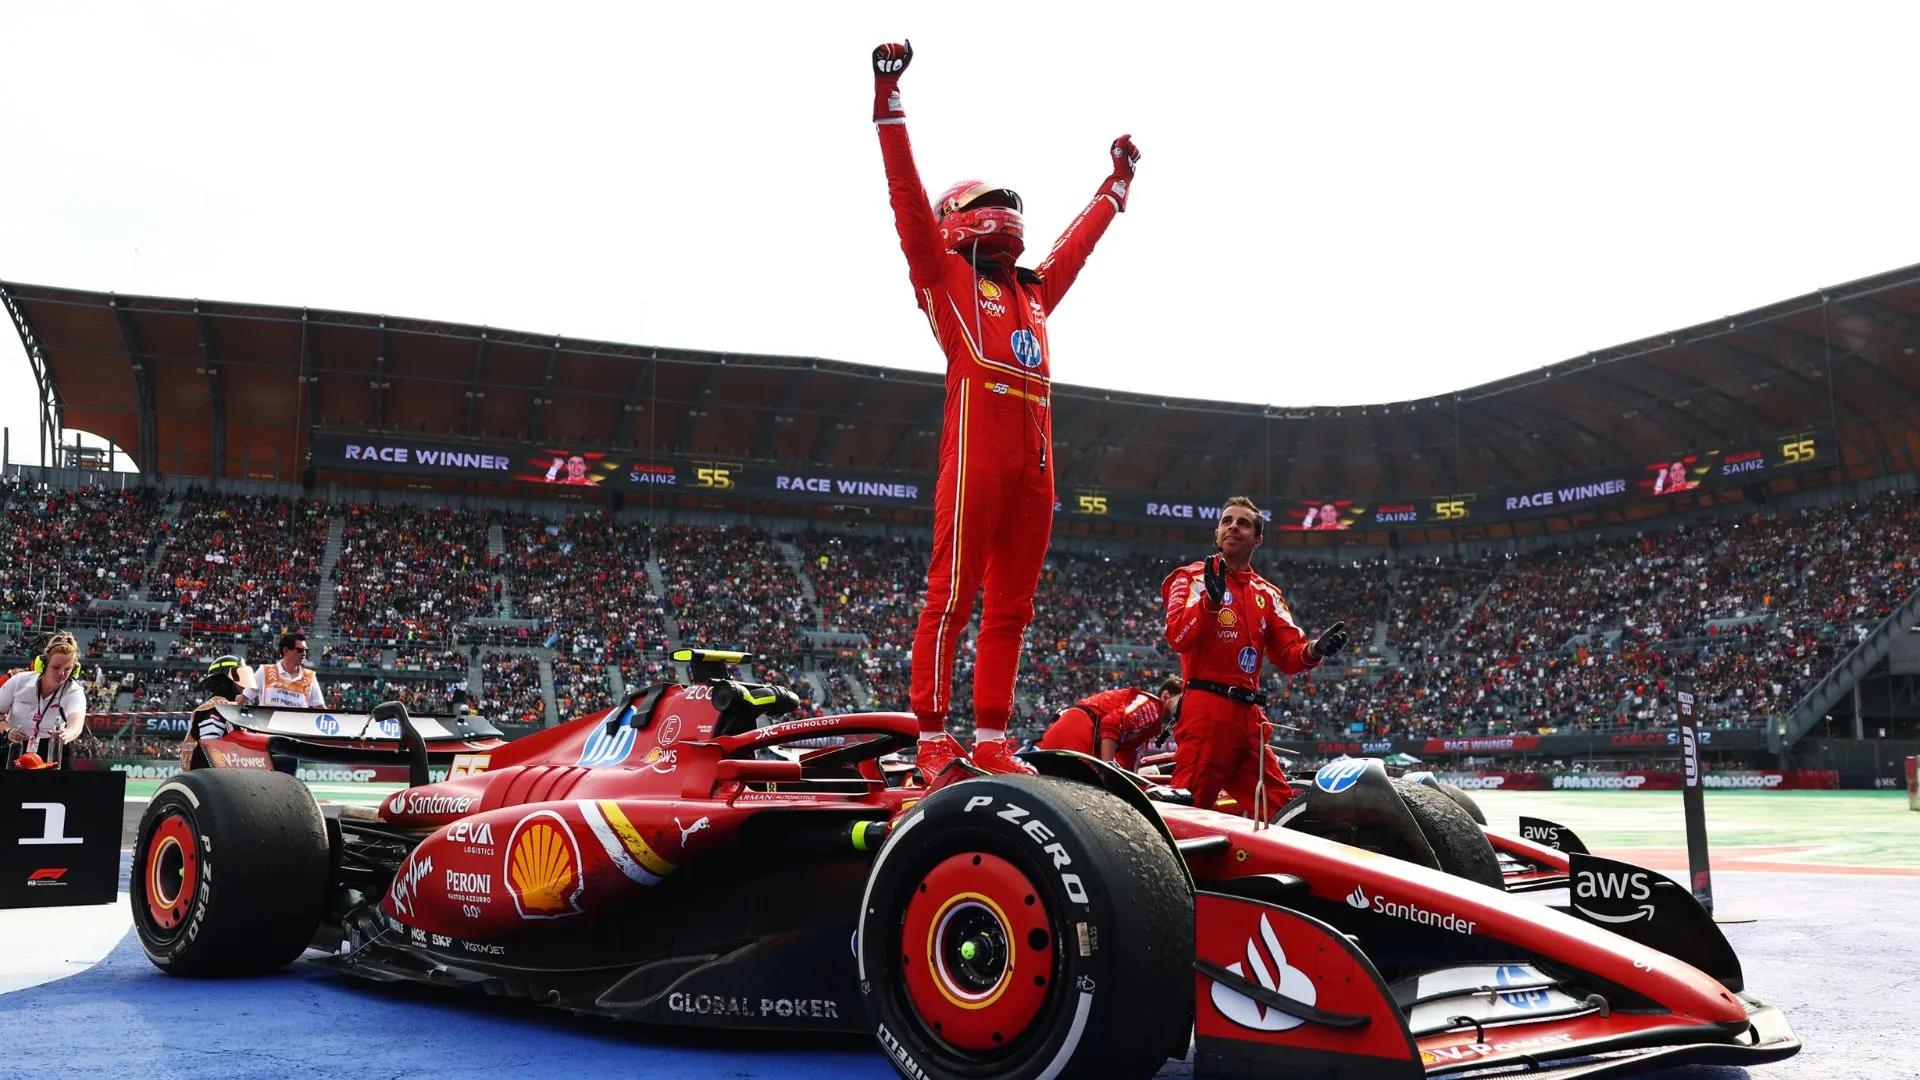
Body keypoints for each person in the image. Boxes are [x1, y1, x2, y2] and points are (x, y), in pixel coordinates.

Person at [870, 39, 1141, 786]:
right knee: (951, 596)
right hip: (978, 461)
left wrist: (1113, 189)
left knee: (1012, 610)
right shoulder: (946, 279)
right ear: (959, 220)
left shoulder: (1032, 294)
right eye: (992, 206)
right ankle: (931, 735)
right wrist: (889, 102)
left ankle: (990, 737)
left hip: (1037, 471)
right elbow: (904, 204)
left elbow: (1073, 250)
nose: (1006, 215)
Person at [1162, 498, 1349, 817]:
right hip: (1207, 711)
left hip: (1250, 718)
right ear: (1217, 533)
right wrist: (1210, 601)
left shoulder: (1268, 593)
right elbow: (1178, 637)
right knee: (1190, 808)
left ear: (1258, 539)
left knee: (1281, 808)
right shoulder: (1191, 577)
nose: (1233, 526)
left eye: (1243, 523)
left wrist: (1316, 650)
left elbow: (1291, 655)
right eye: (1226, 521)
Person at [1038, 676, 1182, 770]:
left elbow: (1129, 765)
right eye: (1181, 701)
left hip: (1075, 732)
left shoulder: (1148, 727)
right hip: (1078, 732)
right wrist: (1108, 768)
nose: (1185, 709)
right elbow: (1111, 724)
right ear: (1165, 696)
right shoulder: (1152, 706)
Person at [1, 631, 87, 767]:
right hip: (14, 742)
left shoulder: (74, 691)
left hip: (53, 746)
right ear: (43, 664)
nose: (61, 673)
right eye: (56, 667)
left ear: (75, 669)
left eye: (68, 669)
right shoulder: (18, 681)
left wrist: (67, 734)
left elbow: (76, 724)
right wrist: (8, 730)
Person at [241, 631, 326, 709]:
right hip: (266, 725)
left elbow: (321, 709)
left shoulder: (310, 677)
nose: (304, 653)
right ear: (286, 651)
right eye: (300, 650)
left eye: (306, 650)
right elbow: (242, 699)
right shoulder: (264, 671)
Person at [191, 654, 256, 741]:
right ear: (225, 679)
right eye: (238, 677)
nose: (244, 685)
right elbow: (210, 747)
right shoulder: (215, 708)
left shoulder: (228, 707)